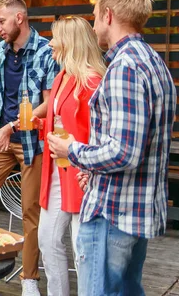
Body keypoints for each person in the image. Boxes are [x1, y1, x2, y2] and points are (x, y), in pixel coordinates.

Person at [48, 0, 177, 295]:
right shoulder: (153, 62)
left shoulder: (124, 68)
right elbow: (133, 143)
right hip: (134, 211)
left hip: (113, 214)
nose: (93, 26)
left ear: (108, 15)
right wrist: (93, 170)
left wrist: (73, 150)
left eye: (94, 16)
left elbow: (124, 153)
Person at [0, 0, 59, 296]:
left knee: (30, 210)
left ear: (19, 18)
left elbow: (50, 103)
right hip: (2, 138)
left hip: (31, 141)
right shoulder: (0, 50)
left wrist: (12, 126)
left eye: (1, 21)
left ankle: (29, 279)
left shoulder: (47, 51)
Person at [31, 16, 105, 296]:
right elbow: (61, 120)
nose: (50, 42)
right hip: (57, 172)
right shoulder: (62, 77)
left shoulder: (93, 82)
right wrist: (40, 124)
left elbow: (98, 134)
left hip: (82, 177)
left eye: (56, 37)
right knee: (48, 241)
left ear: (71, 42)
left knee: (82, 249)